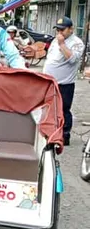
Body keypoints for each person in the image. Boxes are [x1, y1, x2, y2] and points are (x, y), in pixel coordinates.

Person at [43, 16, 84, 146]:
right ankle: (51, 133)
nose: (59, 33)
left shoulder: (77, 43)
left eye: (63, 30)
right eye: (58, 30)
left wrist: (62, 44)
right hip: (49, 81)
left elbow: (72, 59)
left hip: (64, 84)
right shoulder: (55, 40)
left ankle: (65, 136)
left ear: (71, 29)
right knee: (49, 109)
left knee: (64, 109)